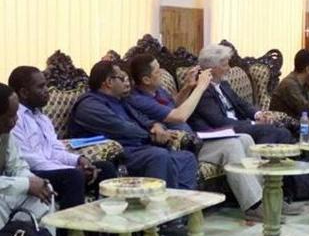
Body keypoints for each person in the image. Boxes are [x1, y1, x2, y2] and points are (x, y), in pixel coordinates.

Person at [126, 54, 295, 221]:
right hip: (181, 145)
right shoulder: (139, 99)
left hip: (194, 140)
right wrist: (200, 87)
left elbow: (174, 105)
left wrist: (187, 87)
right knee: (232, 146)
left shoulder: (158, 91)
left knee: (245, 139)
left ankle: (266, 197)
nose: (162, 73)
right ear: (146, 80)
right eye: (157, 71)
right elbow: (179, 116)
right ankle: (253, 206)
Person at [68, 61, 198, 191]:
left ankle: (181, 200)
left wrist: (156, 126)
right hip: (118, 153)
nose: (127, 83)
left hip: (139, 147)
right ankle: (159, 201)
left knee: (186, 158)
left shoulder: (121, 100)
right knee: (159, 156)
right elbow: (121, 128)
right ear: (109, 82)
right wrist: (150, 135)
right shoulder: (90, 105)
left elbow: (142, 118)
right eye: (122, 78)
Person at [8, 66, 118, 211]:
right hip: (32, 173)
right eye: (41, 87)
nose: (47, 90)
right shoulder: (14, 119)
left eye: (46, 85)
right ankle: (70, 225)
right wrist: (72, 169)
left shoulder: (42, 118)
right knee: (74, 176)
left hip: (53, 168)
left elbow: (55, 150)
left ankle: (106, 219)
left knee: (105, 168)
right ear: (24, 92)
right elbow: (29, 160)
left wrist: (79, 160)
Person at [188, 45, 294, 145]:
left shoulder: (223, 84)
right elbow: (219, 121)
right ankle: (259, 158)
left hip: (237, 125)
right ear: (212, 69)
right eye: (225, 65)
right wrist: (252, 123)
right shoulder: (202, 90)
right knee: (268, 131)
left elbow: (241, 103)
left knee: (284, 132)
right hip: (221, 130)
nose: (229, 68)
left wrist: (258, 114)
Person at [0, 83, 55, 227]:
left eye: (16, 115)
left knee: (44, 193)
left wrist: (35, 182)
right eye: (10, 116)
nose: (15, 121)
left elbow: (17, 166)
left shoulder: (6, 134)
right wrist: (26, 184)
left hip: (5, 189)